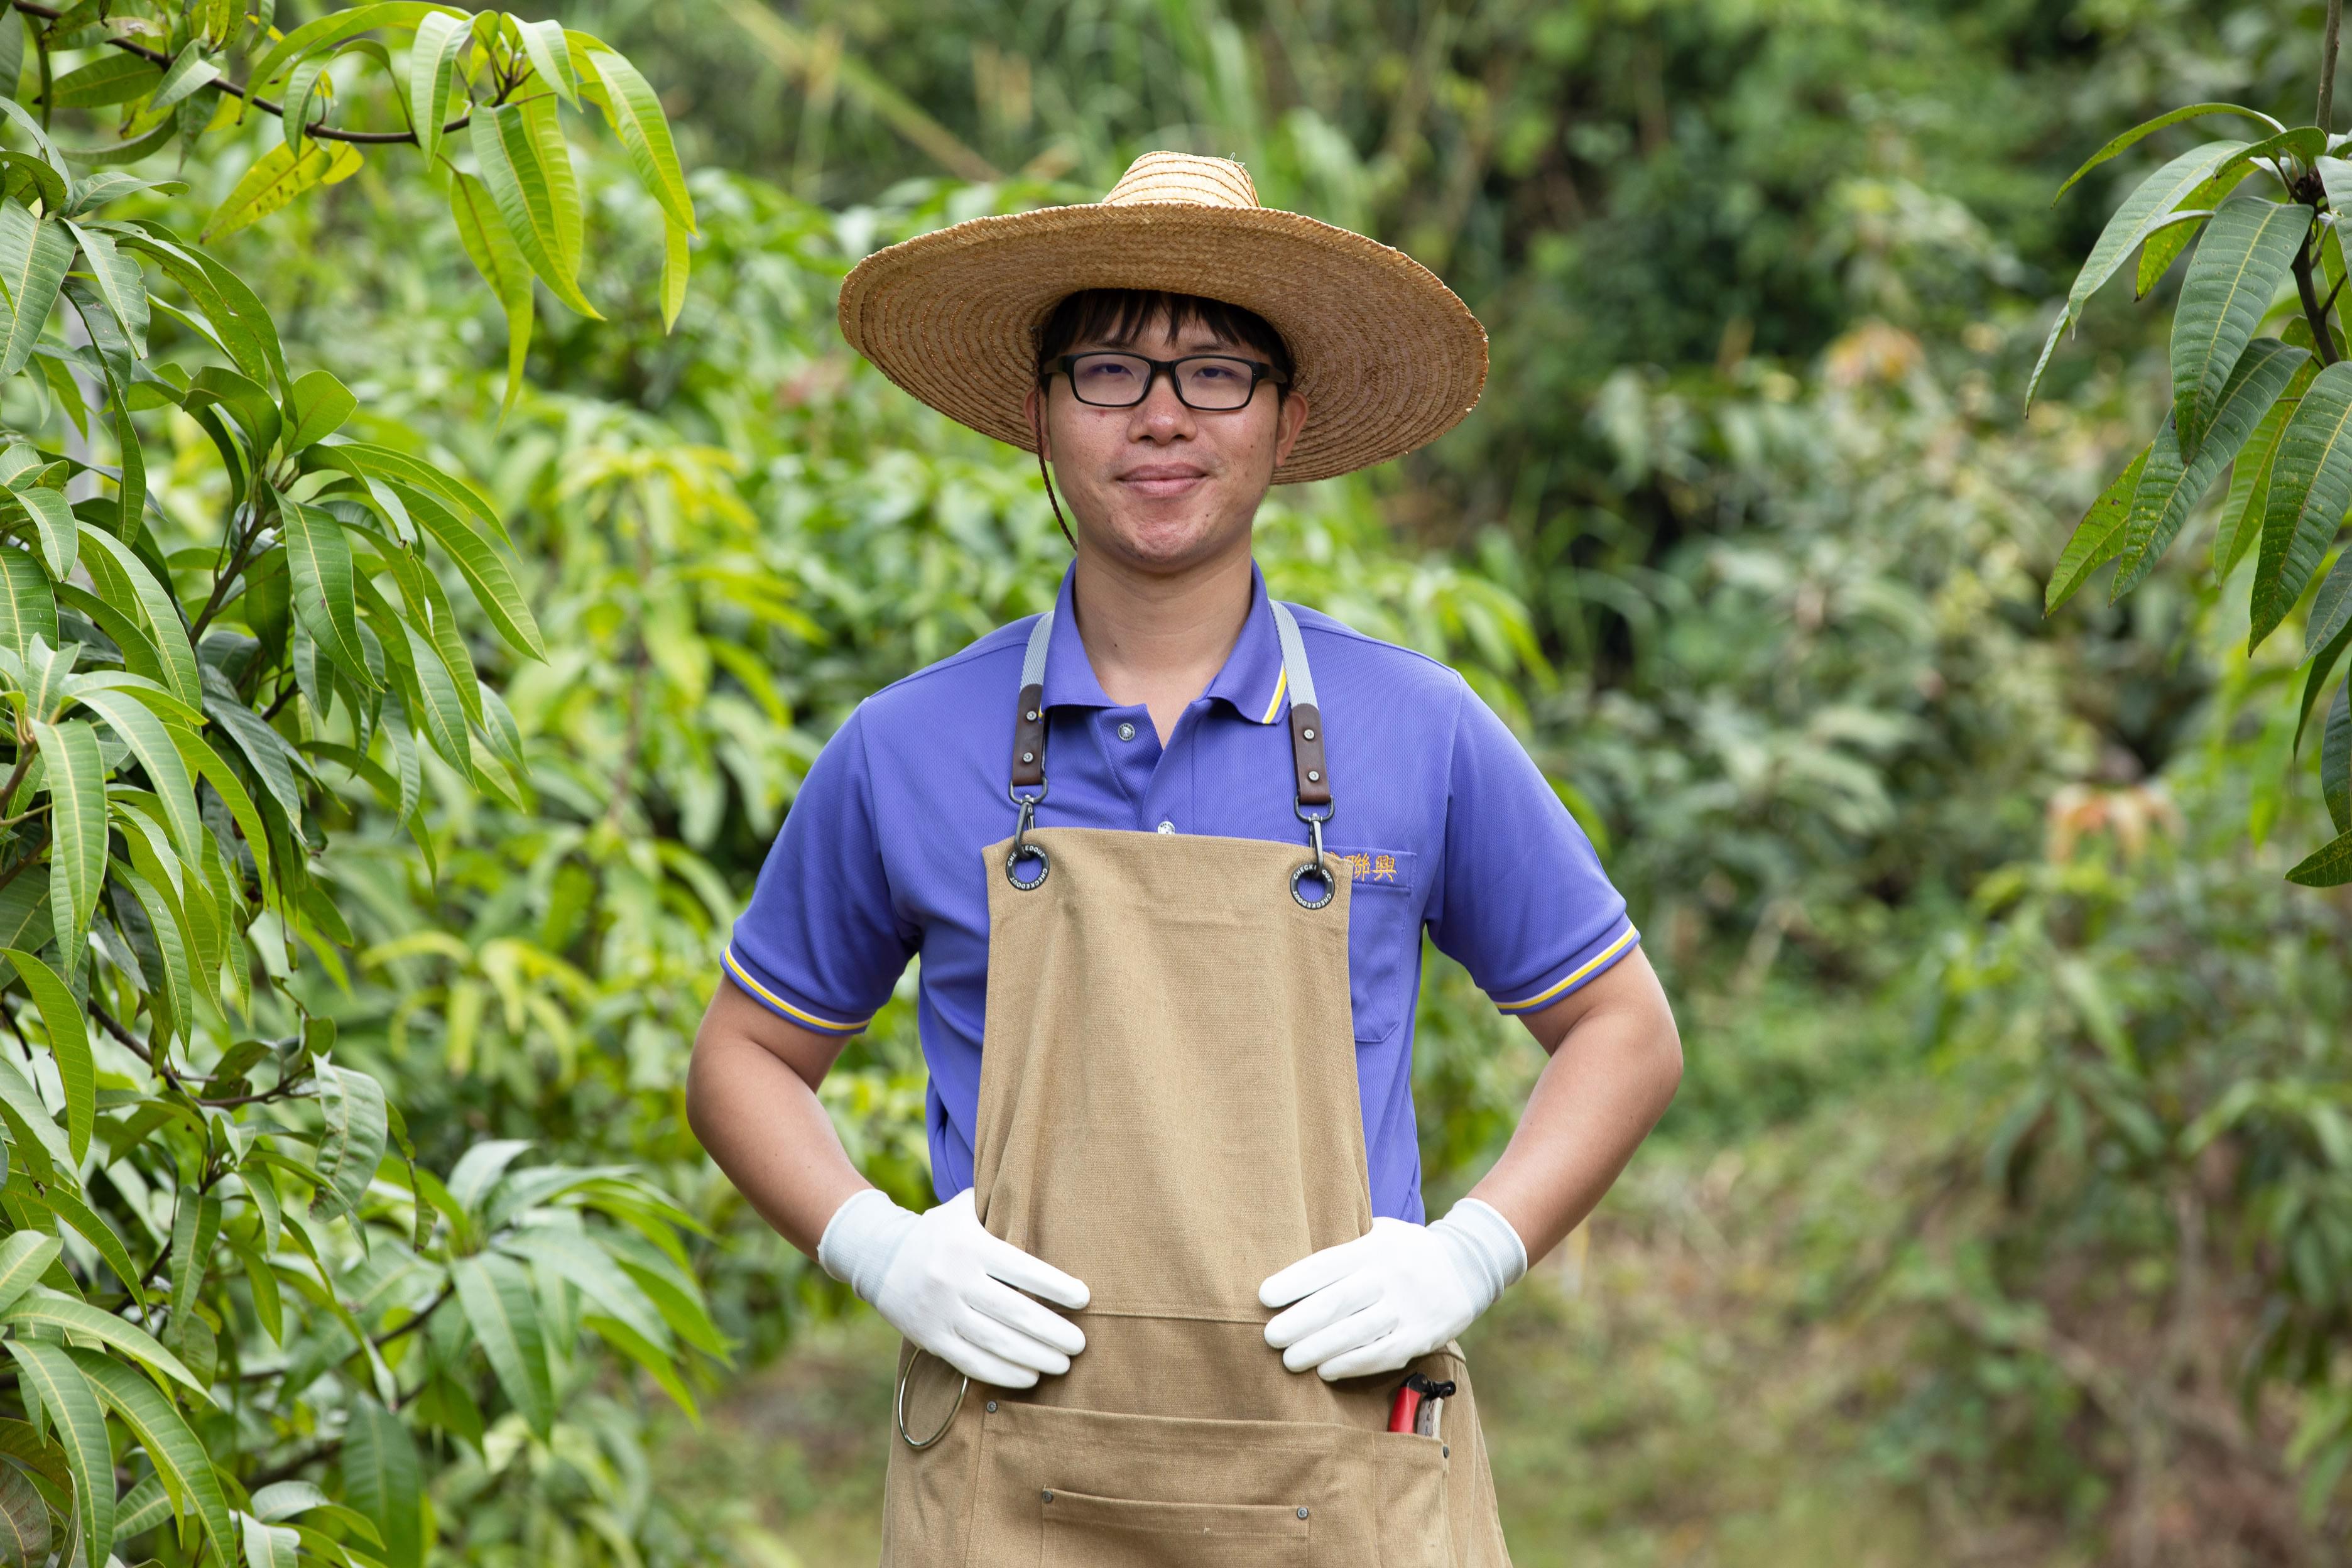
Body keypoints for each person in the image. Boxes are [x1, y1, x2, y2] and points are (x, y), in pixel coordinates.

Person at [687, 151, 1682, 1565]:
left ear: (1287, 419)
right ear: (1041, 415)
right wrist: (876, 1245)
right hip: (1009, 1483)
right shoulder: (906, 745)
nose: (1162, 416)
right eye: (1110, 371)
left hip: (1343, 1477)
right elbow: (742, 1057)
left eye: (1217, 372)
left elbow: (1624, 1030)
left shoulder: (1420, 729)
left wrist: (1473, 1252)